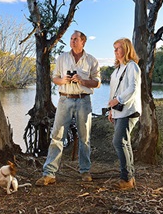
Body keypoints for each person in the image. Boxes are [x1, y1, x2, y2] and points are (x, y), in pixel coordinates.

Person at [35, 30, 101, 186]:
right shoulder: (62, 58)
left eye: (76, 39)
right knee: (57, 136)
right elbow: (55, 78)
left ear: (83, 41)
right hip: (65, 100)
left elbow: (97, 82)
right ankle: (49, 173)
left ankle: (85, 170)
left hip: (83, 101)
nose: (72, 41)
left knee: (84, 138)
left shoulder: (91, 60)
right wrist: (62, 80)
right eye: (71, 39)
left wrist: (83, 81)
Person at [107, 38, 142, 190]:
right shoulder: (116, 70)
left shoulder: (132, 66)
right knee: (124, 142)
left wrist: (118, 100)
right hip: (119, 112)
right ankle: (129, 177)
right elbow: (113, 92)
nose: (115, 51)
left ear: (126, 49)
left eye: (118, 48)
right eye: (114, 48)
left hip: (129, 110)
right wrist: (111, 110)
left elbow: (132, 88)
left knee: (118, 142)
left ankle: (126, 178)